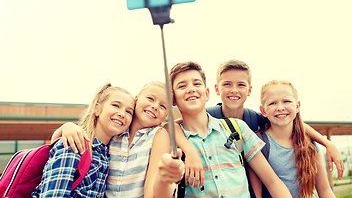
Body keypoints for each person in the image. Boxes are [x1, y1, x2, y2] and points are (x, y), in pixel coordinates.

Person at [170, 59, 344, 189]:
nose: (234, 90)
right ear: (216, 89)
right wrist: (190, 150)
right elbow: (174, 125)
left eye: (241, 85)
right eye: (227, 84)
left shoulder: (254, 118)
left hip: (254, 184)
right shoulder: (209, 116)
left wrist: (326, 143)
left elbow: (292, 122)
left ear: (249, 90)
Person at [164, 61, 292, 197]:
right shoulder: (170, 141)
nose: (191, 89)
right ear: (173, 99)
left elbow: (272, 182)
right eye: (182, 86)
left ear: (207, 93)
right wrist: (189, 150)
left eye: (197, 83)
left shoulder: (237, 128)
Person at [51, 81, 184, 198]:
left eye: (163, 106)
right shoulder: (117, 131)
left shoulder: (158, 135)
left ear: (166, 115)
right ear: (136, 100)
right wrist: (66, 127)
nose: (155, 106)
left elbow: (151, 185)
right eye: (150, 98)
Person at [32, 83, 135, 197]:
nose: (122, 114)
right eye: (116, 105)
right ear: (97, 109)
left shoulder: (108, 154)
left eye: (129, 112)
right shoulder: (75, 142)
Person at [249, 80, 335, 198]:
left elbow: (324, 191)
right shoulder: (258, 144)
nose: (280, 107)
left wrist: (328, 144)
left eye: (286, 101)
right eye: (272, 103)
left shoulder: (310, 143)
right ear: (263, 111)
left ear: (297, 106)